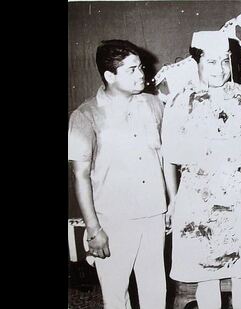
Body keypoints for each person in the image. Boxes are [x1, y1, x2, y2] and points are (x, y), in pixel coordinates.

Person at [160, 31, 241, 309]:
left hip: (239, 192)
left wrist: (210, 151)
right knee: (205, 273)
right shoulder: (179, 101)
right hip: (198, 196)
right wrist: (216, 151)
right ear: (195, 61)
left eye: (225, 61)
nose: (220, 70)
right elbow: (173, 150)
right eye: (211, 62)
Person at [68, 39, 167, 309]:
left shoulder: (153, 105)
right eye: (132, 69)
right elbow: (81, 176)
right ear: (110, 76)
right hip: (113, 219)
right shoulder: (84, 116)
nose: (141, 74)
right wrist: (93, 230)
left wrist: (170, 204)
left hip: (153, 214)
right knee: (115, 294)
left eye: (141, 67)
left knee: (155, 291)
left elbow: (163, 157)